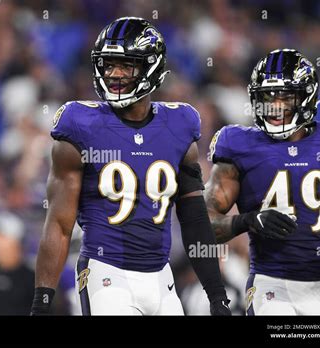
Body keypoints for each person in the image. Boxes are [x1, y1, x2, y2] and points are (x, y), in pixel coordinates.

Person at [31, 17, 230, 316]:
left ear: (151, 68)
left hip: (162, 280)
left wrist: (216, 295)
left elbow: (194, 219)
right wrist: (42, 302)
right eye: (108, 65)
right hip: (106, 276)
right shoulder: (80, 124)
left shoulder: (179, 124)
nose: (115, 74)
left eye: (126, 65)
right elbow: (59, 225)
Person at [205, 48, 320, 315]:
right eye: (268, 96)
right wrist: (248, 220)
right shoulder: (239, 144)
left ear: (306, 96)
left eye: (285, 96)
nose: (275, 105)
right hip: (272, 284)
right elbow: (201, 224)